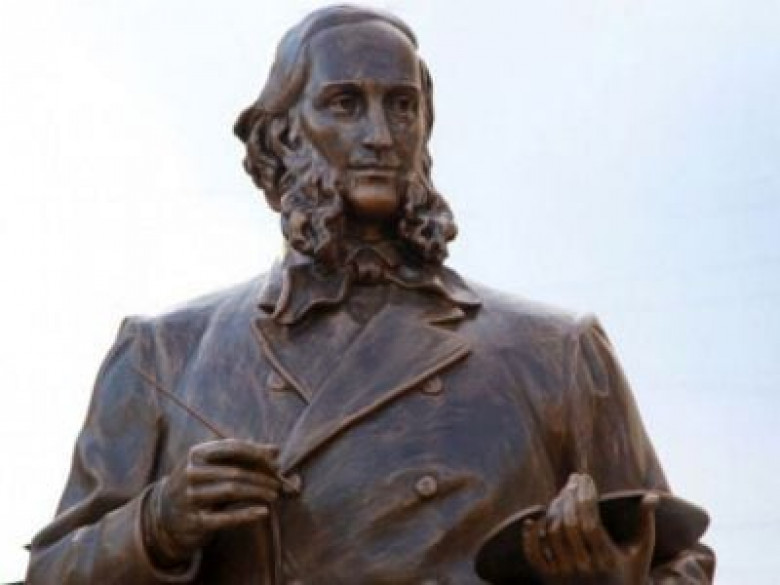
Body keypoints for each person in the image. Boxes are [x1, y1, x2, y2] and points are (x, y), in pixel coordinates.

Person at [26, 5, 715, 584]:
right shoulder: (165, 353)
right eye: (345, 104)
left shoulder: (553, 350)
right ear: (283, 135)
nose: (380, 137)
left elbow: (679, 562)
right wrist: (156, 526)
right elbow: (51, 571)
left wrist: (612, 577)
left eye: (401, 106)